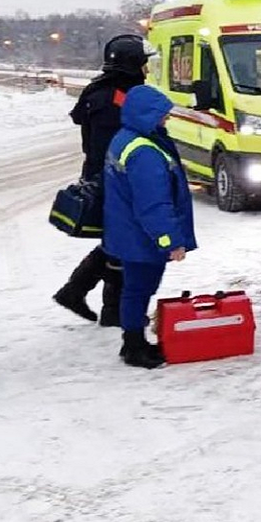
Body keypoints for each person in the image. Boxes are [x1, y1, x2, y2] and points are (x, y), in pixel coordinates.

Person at [53, 35, 150, 325]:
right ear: (132, 64)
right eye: (144, 63)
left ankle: (94, 300)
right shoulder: (113, 98)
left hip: (107, 175)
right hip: (114, 178)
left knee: (118, 240)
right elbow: (116, 144)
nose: (147, 69)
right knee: (125, 241)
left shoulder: (106, 90)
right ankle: (100, 303)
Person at [103, 85, 198, 368]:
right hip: (142, 236)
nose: (166, 120)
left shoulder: (126, 139)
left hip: (127, 230)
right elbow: (153, 203)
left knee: (134, 288)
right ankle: (133, 346)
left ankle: (133, 341)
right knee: (139, 289)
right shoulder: (145, 152)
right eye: (163, 115)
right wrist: (170, 240)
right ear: (147, 115)